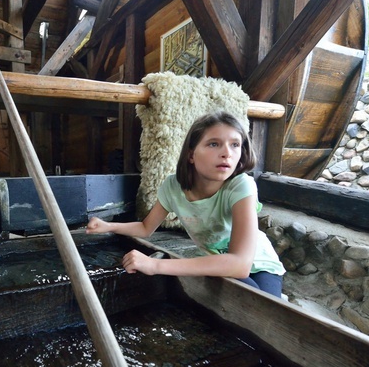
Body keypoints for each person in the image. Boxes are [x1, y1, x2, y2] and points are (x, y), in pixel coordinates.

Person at [86, 111, 285, 297]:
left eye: (235, 144)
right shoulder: (173, 186)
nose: (227, 153)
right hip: (217, 262)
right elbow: (146, 228)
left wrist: (155, 265)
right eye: (214, 144)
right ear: (191, 154)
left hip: (259, 263)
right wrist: (107, 226)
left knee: (261, 304)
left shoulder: (241, 185)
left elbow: (240, 264)